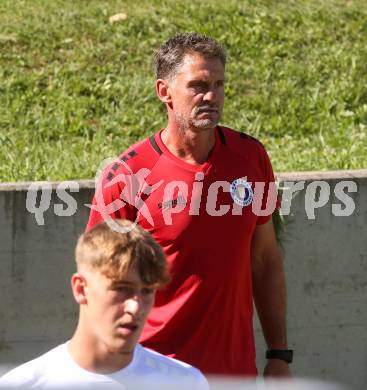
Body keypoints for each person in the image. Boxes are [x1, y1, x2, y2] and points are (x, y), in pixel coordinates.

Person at [86, 32, 292, 377]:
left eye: (219, 84)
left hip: (234, 375)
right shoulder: (127, 175)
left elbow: (265, 258)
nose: (212, 96)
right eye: (198, 85)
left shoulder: (250, 157)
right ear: (164, 92)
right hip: (152, 375)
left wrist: (279, 354)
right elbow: (99, 284)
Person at [0, 220, 209, 389]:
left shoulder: (185, 383)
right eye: (121, 289)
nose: (135, 307)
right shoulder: (22, 384)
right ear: (81, 289)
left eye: (147, 291)